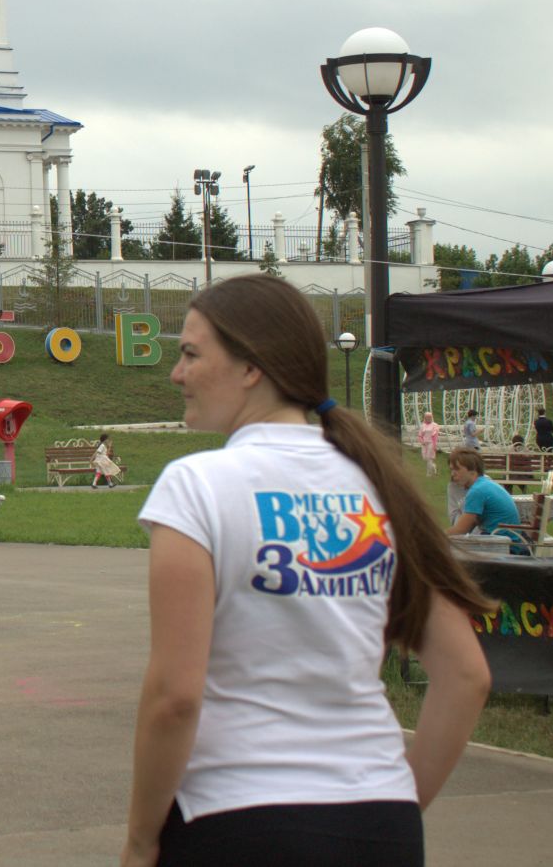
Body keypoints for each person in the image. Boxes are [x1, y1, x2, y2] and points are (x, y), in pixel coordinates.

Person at [123, 275, 491, 867]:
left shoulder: (197, 487)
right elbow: (466, 675)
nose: (176, 373)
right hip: (380, 820)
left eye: (191, 353)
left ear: (252, 368)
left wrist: (141, 841)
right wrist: (394, 806)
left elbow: (175, 697)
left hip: (236, 818)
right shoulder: (377, 486)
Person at [445, 448, 523, 552]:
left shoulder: (477, 491)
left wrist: (433, 537)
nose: (453, 474)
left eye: (457, 469)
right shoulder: (485, 484)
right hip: (507, 541)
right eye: (451, 469)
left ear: (473, 472)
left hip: (502, 545)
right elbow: (469, 526)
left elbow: (461, 530)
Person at [416, 411, 440, 475]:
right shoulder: (423, 426)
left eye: (430, 417)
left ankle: (428, 473)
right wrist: (422, 441)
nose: (429, 418)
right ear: (425, 418)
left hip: (431, 443)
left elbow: (435, 436)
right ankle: (434, 467)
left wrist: (434, 445)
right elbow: (420, 435)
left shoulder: (435, 425)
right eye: (427, 417)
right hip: (424, 443)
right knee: (426, 458)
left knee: (429, 457)